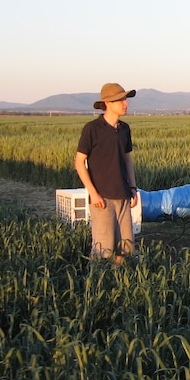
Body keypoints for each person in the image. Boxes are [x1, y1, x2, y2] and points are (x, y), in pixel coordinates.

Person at [75, 82, 139, 263]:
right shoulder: (92, 129)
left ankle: (118, 285)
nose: (125, 103)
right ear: (108, 103)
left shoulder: (124, 129)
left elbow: (127, 160)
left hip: (124, 196)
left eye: (125, 99)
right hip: (102, 199)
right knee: (103, 249)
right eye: (121, 100)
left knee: (125, 248)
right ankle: (96, 285)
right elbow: (79, 162)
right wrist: (93, 194)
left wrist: (133, 188)